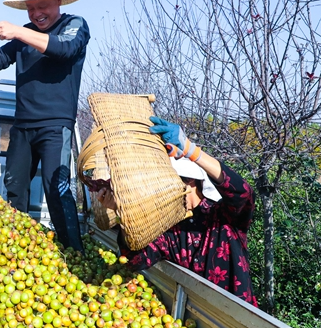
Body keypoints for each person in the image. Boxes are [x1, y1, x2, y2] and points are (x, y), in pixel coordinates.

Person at [95, 116, 259, 307]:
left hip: (242, 319)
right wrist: (121, 209)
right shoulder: (171, 231)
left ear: (190, 182)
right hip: (200, 324)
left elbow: (243, 192)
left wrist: (191, 150)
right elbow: (136, 259)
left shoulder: (224, 219)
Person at [0, 0, 89, 252]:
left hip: (55, 126)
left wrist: (18, 31)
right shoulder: (24, 35)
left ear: (58, 1)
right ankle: (15, 251)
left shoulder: (74, 25)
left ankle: (74, 255)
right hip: (22, 126)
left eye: (42, 6)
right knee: (14, 187)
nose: (36, 13)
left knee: (57, 191)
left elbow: (64, 49)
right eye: (31, 8)